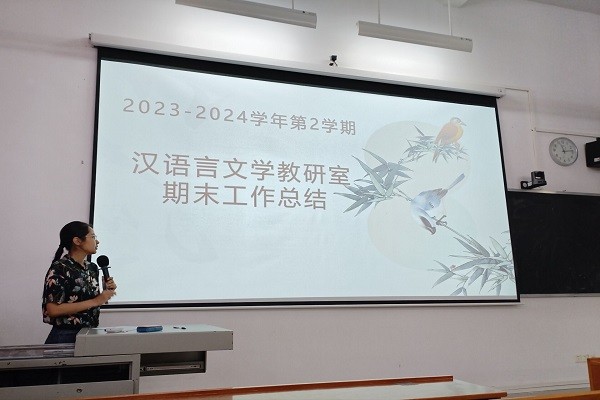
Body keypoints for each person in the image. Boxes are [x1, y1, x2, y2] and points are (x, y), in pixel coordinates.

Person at [42, 221, 117, 344]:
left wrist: (105, 293)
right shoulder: (60, 268)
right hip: (65, 335)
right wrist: (96, 301)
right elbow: (53, 310)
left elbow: (90, 302)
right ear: (77, 241)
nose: (97, 242)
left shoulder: (92, 268)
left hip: (90, 332)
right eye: (93, 237)